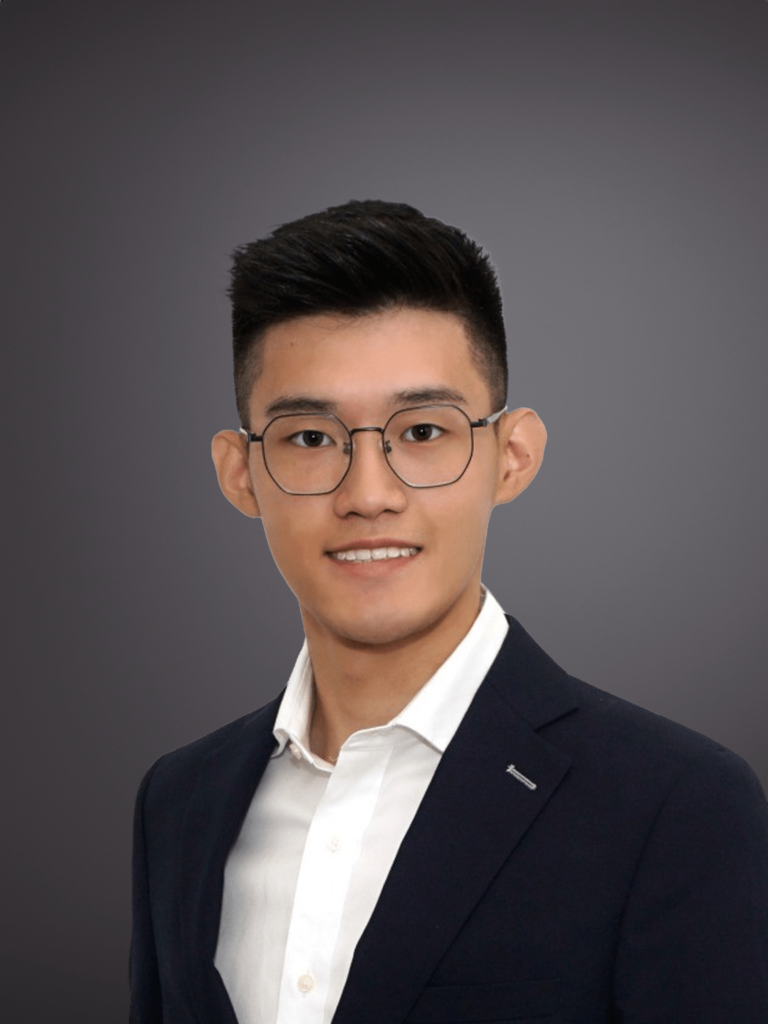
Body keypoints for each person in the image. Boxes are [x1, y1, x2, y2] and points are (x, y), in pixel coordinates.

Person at [130, 200, 768, 1024]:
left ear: (512, 456)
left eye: (424, 431)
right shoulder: (178, 802)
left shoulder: (678, 806)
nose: (368, 495)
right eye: (311, 438)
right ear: (239, 473)